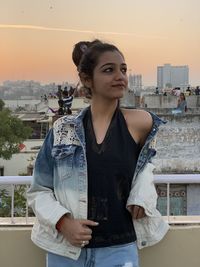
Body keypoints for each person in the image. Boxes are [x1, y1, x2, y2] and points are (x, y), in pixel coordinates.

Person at [27, 40, 169, 267]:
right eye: (108, 70)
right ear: (86, 79)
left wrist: (143, 197)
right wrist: (63, 222)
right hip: (67, 251)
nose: (120, 76)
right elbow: (39, 190)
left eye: (123, 69)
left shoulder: (141, 122)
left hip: (119, 249)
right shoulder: (63, 130)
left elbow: (146, 168)